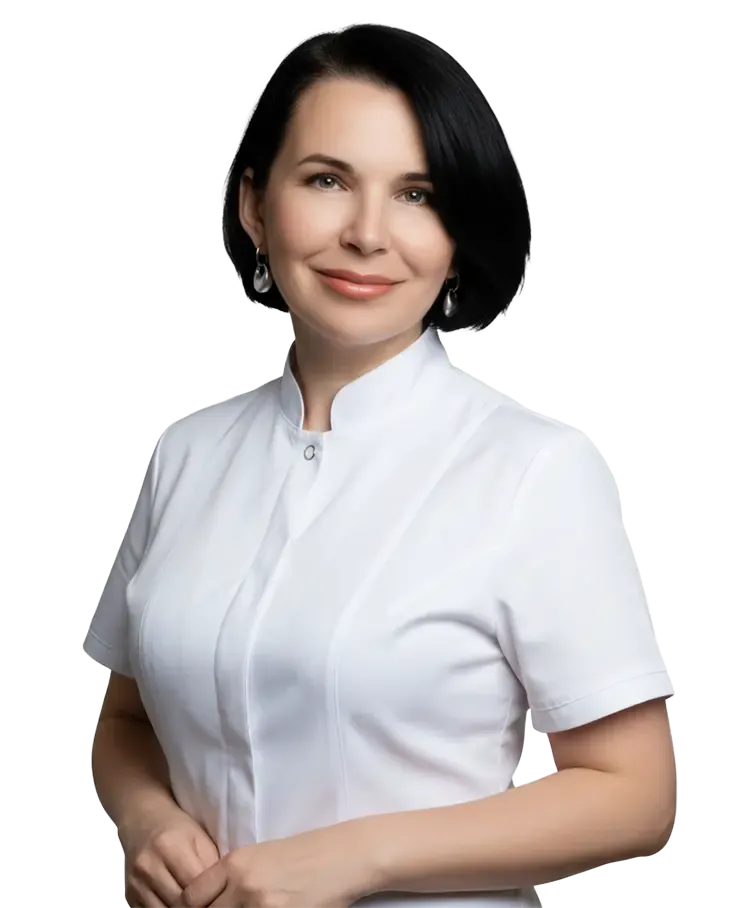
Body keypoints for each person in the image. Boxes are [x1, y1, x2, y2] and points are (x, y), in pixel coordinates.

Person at [82, 20, 675, 908]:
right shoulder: (187, 454)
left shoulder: (534, 470)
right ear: (255, 204)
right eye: (327, 180)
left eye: (417, 194)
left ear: (457, 231)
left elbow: (635, 794)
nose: (367, 233)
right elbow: (128, 721)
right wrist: (147, 821)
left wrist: (360, 857)